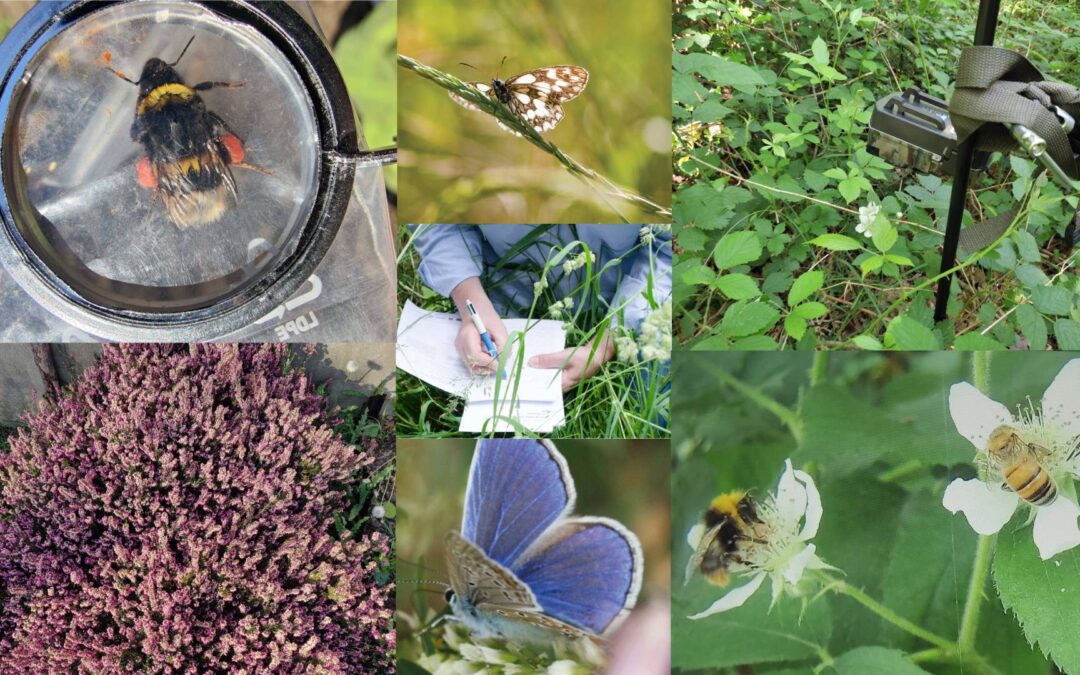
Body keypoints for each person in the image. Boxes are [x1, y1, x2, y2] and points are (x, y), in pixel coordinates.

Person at [410, 224, 671, 391]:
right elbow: (435, 222)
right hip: (506, 302)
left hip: (630, 310)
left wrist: (604, 346)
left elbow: (669, 252)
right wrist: (471, 303)